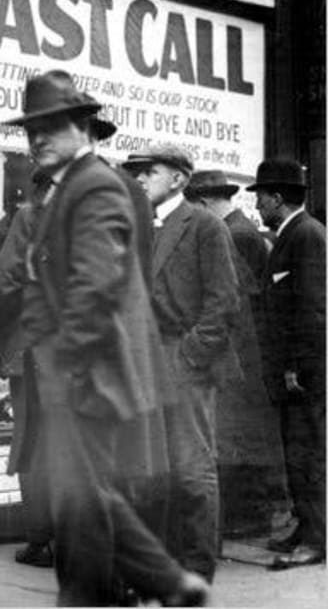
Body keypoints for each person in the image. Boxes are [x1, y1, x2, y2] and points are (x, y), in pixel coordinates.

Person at [8, 70, 209, 606]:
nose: (37, 139)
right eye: (30, 130)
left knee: (83, 496)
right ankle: (167, 584)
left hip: (93, 372)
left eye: (50, 127)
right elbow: (41, 278)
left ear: (82, 128)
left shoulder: (94, 186)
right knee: (83, 494)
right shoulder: (63, 191)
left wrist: (65, 362)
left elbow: (95, 285)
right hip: (84, 370)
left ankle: (144, 587)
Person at [123, 146, 241, 584]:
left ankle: (197, 568)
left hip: (185, 361)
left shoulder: (204, 226)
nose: (139, 180)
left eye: (149, 172)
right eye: (135, 172)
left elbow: (224, 302)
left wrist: (191, 353)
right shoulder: (138, 227)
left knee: (192, 471)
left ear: (178, 179)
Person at [184, 169, 288, 539]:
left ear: (203, 203)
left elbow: (234, 302)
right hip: (247, 350)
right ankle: (252, 514)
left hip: (243, 352)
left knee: (242, 436)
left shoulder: (233, 235)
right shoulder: (240, 231)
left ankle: (252, 516)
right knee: (243, 434)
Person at [247, 159, 326, 570]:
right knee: (296, 450)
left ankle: (316, 539)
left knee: (307, 452)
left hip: (305, 371)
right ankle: (306, 525)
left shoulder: (306, 235)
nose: (257, 206)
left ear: (277, 198)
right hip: (293, 370)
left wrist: (297, 365)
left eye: (261, 198)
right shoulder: (294, 234)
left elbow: (313, 308)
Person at [0, 169, 53, 569]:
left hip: (35, 351)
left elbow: (2, 280)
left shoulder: (32, 218)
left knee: (33, 444)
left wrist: (3, 340)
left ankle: (42, 540)